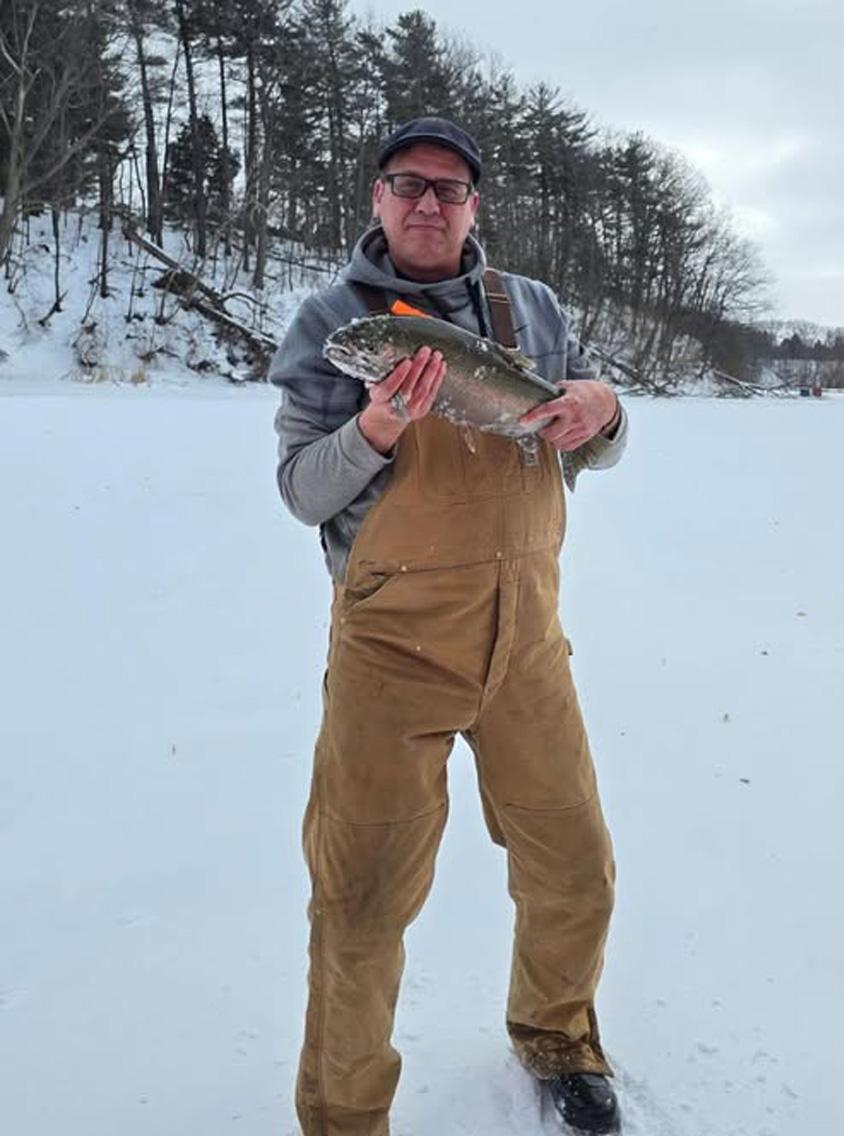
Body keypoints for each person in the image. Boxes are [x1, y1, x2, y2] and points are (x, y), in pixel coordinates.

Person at [270, 116, 628, 1136]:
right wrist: (379, 423)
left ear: (476, 205)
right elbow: (301, 489)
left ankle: (557, 1034)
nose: (428, 201)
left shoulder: (537, 309)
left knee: (577, 869)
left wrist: (605, 412)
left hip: (526, 646)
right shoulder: (332, 323)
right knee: (360, 901)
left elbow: (587, 442)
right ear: (376, 199)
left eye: (449, 187)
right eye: (406, 183)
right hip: (392, 652)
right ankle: (344, 1115)